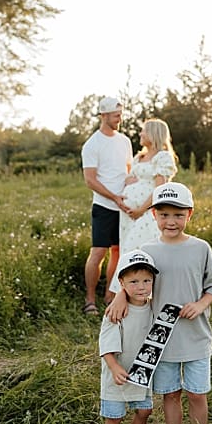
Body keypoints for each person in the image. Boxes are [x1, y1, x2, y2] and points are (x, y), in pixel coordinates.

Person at [106, 182, 212, 424]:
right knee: (170, 395)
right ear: (154, 215)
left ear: (189, 214)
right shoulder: (147, 250)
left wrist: (200, 304)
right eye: (164, 215)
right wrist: (120, 296)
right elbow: (132, 279)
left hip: (195, 336)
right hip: (161, 340)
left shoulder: (200, 248)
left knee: (196, 394)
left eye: (178, 215)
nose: (171, 221)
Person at [96, 250, 166, 424]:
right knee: (114, 417)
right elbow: (106, 344)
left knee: (144, 411)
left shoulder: (153, 308)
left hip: (141, 373)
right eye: (134, 282)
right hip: (117, 373)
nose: (141, 287)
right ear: (122, 283)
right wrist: (114, 366)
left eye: (147, 280)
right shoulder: (116, 311)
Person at [81, 96, 133, 314]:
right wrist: (114, 197)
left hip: (124, 206)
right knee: (98, 252)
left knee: (118, 252)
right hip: (104, 207)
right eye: (115, 116)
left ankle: (110, 296)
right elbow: (90, 180)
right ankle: (90, 300)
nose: (119, 119)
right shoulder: (92, 144)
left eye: (120, 115)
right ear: (103, 116)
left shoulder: (125, 141)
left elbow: (129, 171)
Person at [111, 119, 177, 280]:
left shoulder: (162, 157)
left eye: (144, 131)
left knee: (138, 250)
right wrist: (131, 181)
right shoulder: (139, 157)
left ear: (154, 133)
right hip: (128, 215)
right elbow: (129, 178)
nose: (140, 134)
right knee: (127, 251)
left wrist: (141, 210)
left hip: (147, 212)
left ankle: (144, 288)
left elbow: (159, 189)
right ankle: (127, 289)